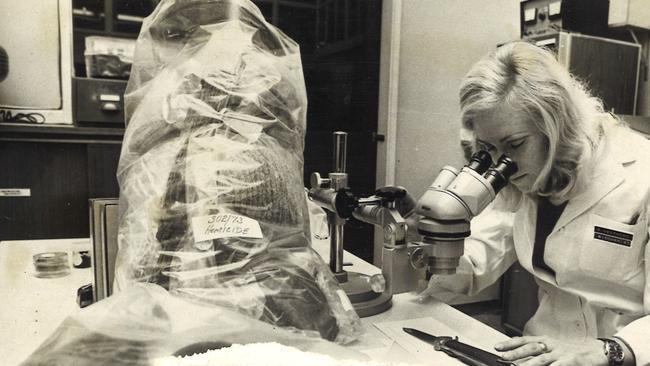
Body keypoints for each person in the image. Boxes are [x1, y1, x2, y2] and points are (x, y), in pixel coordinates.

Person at [421, 41, 650, 366]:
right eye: (489, 148)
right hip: (540, 354)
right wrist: (427, 247)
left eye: (514, 143)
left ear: (556, 126)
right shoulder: (522, 178)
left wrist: (611, 350)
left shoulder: (642, 175)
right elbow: (474, 265)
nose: (503, 163)